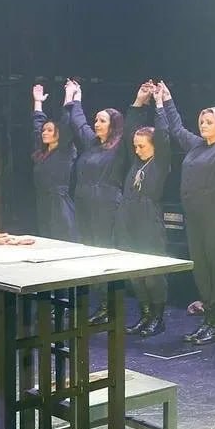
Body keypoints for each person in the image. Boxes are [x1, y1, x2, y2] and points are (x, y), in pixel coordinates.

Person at [157, 80, 215, 346]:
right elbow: (176, 128)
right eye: (202, 121)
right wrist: (167, 100)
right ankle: (208, 317)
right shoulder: (196, 145)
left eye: (209, 121)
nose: (203, 125)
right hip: (194, 216)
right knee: (202, 268)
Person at [67, 78, 147, 323]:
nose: (96, 124)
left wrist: (138, 102)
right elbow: (79, 123)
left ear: (113, 125)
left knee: (105, 255)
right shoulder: (91, 144)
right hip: (85, 207)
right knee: (90, 254)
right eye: (96, 120)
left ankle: (111, 306)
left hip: (107, 207)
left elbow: (132, 125)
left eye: (102, 120)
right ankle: (103, 304)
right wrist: (76, 98)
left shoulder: (120, 148)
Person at [117, 82, 172, 337]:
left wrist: (159, 105)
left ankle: (157, 318)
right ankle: (145, 313)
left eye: (142, 146)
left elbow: (163, 134)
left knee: (152, 273)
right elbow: (130, 128)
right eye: (135, 146)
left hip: (149, 220)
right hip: (128, 218)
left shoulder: (160, 162)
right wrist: (139, 101)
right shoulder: (135, 163)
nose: (137, 150)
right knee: (135, 272)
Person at [31, 84, 77, 241]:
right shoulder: (42, 153)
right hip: (43, 200)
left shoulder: (65, 151)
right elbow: (37, 127)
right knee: (46, 237)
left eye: (50, 130)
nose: (45, 132)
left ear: (59, 133)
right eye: (44, 130)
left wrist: (68, 97)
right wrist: (38, 102)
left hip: (60, 202)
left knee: (63, 237)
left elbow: (66, 123)